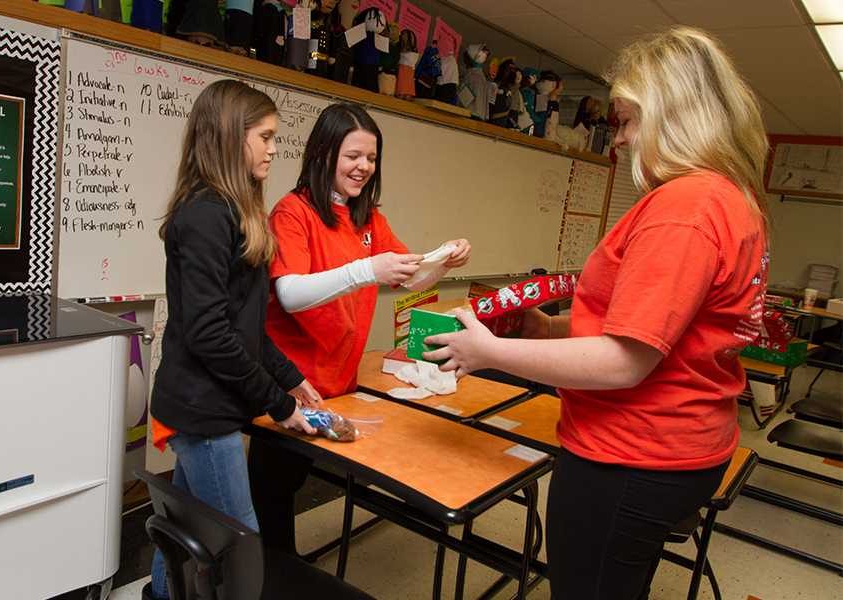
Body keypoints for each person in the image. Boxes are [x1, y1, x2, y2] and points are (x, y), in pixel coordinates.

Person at [424, 27, 770, 599]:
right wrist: (544, 330)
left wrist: (486, 352)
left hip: (633, 454)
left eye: (629, 120)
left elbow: (623, 362)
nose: (622, 140)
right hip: (684, 446)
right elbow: (654, 331)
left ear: (671, 113)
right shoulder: (729, 200)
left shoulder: (685, 206)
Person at [249, 102, 470, 553]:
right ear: (324, 153)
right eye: (353, 156)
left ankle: (282, 571)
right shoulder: (293, 213)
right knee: (273, 493)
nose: (364, 167)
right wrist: (367, 269)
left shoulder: (369, 218)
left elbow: (413, 277)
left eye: (371, 158)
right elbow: (290, 293)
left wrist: (443, 261)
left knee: (294, 483)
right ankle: (273, 575)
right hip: (292, 382)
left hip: (340, 382)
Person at [143, 80, 321, 600]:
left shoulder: (231, 212)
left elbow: (246, 326)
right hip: (202, 412)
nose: (273, 148)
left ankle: (159, 594)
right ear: (228, 136)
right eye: (264, 136)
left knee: (182, 533)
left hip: (207, 405)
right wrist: (277, 401)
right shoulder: (204, 216)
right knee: (239, 549)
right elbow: (208, 334)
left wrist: (292, 378)